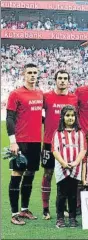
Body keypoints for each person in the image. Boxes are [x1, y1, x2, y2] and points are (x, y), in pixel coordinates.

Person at [7, 63, 43, 225]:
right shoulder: (16, 94)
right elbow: (10, 118)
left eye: (35, 72)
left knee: (30, 175)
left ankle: (24, 209)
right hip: (20, 142)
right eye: (29, 72)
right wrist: (13, 142)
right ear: (23, 74)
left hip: (36, 141)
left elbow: (38, 117)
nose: (33, 75)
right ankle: (14, 213)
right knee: (16, 175)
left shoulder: (40, 93)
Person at [41, 70, 77, 220]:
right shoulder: (46, 97)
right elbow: (38, 113)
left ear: (69, 81)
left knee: (67, 176)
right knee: (48, 174)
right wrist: (47, 122)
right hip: (49, 142)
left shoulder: (74, 98)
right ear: (55, 80)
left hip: (68, 144)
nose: (62, 81)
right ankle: (45, 208)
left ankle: (65, 207)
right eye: (60, 78)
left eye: (65, 78)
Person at [52, 105, 86, 228]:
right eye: (67, 115)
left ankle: (72, 218)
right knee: (61, 194)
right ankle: (60, 218)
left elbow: (83, 149)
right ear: (62, 117)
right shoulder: (58, 133)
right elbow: (55, 150)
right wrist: (63, 163)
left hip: (75, 167)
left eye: (72, 115)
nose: (70, 118)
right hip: (62, 168)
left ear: (75, 117)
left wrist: (76, 162)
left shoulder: (80, 133)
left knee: (73, 194)